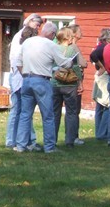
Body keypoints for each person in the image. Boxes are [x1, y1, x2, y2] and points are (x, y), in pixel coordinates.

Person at [16, 21, 76, 153]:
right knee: (48, 115)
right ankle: (49, 147)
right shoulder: (50, 45)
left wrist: (25, 75)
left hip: (26, 79)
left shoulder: (28, 42)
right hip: (42, 81)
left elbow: (18, 62)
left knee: (25, 114)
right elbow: (63, 63)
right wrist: (71, 62)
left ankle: (21, 145)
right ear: (52, 34)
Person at [6, 13, 42, 150]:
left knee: (24, 111)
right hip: (19, 77)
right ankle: (12, 140)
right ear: (30, 21)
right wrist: (25, 76)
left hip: (21, 76)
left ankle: (26, 139)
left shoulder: (26, 36)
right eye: (37, 24)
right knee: (18, 110)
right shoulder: (21, 36)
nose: (38, 28)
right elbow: (16, 59)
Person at [51, 26, 85, 148]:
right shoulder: (72, 50)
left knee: (55, 112)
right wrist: (80, 82)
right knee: (71, 112)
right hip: (70, 85)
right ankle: (70, 140)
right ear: (68, 37)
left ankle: (52, 140)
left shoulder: (53, 48)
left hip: (55, 83)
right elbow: (75, 67)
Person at [90, 29, 110, 141]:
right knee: (108, 105)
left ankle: (99, 132)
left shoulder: (100, 46)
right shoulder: (104, 47)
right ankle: (102, 133)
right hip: (104, 76)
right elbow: (93, 55)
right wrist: (102, 67)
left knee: (100, 106)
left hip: (100, 75)